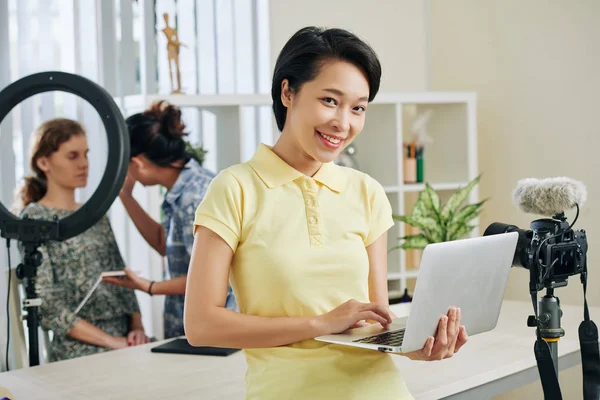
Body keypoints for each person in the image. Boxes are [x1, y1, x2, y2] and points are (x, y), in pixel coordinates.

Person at [184, 26, 469, 399]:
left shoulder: (365, 192)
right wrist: (320, 324)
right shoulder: (235, 188)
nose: (343, 123)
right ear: (288, 92)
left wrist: (416, 347)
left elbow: (375, 319)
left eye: (358, 108)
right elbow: (202, 325)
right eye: (330, 101)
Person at [15, 118, 149, 362]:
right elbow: (46, 304)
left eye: (86, 154)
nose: (84, 164)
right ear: (44, 162)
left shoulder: (94, 213)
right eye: (72, 156)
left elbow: (122, 276)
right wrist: (112, 343)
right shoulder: (35, 219)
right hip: (78, 346)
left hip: (125, 339)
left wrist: (137, 328)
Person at [103, 101, 237, 339]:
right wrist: (125, 195)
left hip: (214, 331)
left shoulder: (195, 197)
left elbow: (214, 277)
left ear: (138, 162)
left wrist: (150, 287)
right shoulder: (183, 190)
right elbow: (164, 244)